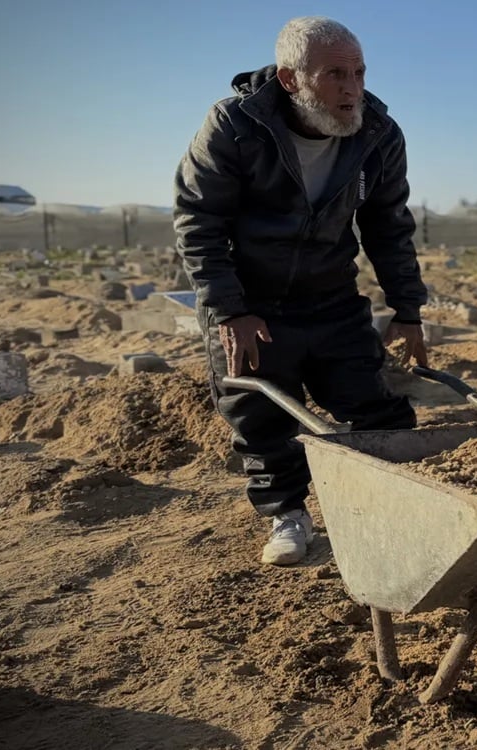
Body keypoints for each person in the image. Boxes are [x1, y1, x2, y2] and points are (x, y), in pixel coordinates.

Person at [174, 16, 428, 566]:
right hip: (251, 303)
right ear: (291, 80)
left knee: (373, 403)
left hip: (331, 296)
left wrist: (408, 308)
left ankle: (394, 501)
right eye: (335, 74)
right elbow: (199, 220)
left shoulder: (378, 134)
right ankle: (288, 513)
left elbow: (388, 225)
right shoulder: (235, 126)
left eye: (359, 72)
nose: (353, 87)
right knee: (260, 414)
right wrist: (230, 310)